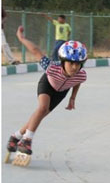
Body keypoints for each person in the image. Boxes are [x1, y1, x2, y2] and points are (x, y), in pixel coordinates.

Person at [6, 26, 87, 166]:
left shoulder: (81, 74)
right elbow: (36, 51)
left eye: (78, 64)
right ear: (62, 61)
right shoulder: (52, 67)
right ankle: (27, 140)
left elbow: (77, 82)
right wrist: (21, 38)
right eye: (71, 63)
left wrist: (72, 98)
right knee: (42, 108)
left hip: (61, 92)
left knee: (39, 115)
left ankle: (15, 137)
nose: (74, 67)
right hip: (48, 84)